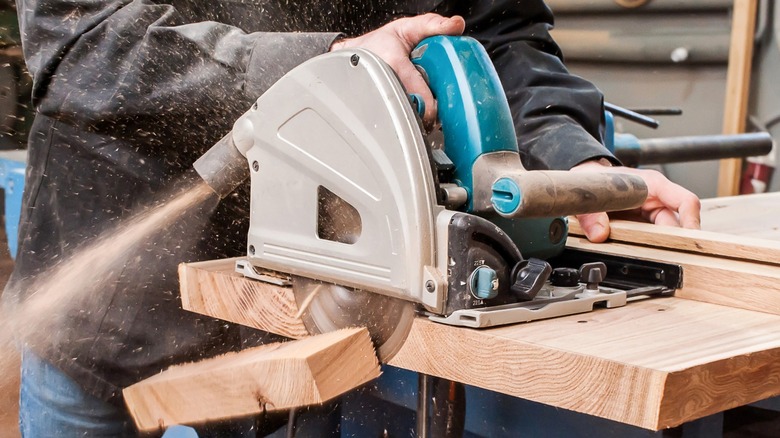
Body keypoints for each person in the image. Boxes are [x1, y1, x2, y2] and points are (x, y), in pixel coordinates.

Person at [4, 0, 700, 436]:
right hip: (111, 297)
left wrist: (570, 164)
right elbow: (85, 44)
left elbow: (500, 32)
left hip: (317, 307)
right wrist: (319, 66)